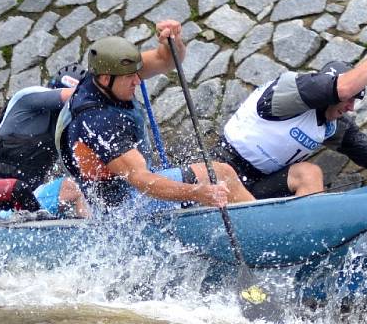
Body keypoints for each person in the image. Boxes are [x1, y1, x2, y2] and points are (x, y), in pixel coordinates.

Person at [57, 20, 255, 214]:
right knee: (222, 174)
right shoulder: (97, 123)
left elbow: (165, 60)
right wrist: (197, 193)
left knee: (212, 176)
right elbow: (143, 180)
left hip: (134, 185)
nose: (137, 80)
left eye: (136, 74)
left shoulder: (111, 74)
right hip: (121, 207)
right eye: (130, 78)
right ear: (105, 79)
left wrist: (171, 40)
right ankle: (265, 222)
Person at [213, 32, 367, 199]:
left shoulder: (333, 123)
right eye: (349, 100)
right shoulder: (291, 90)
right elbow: (345, 88)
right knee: (309, 171)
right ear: (326, 90)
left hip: (258, 184)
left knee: (308, 173)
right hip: (221, 173)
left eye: (355, 101)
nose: (351, 107)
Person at [0, 65, 88, 218]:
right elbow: (78, 97)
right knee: (73, 187)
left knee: (88, 187)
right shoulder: (27, 98)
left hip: (28, 204)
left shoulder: (65, 128)